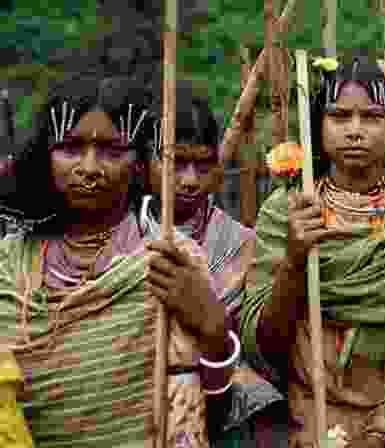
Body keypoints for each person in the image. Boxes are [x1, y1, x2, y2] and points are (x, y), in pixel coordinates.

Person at [240, 56, 385, 447]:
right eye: (340, 116)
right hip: (312, 419)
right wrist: (296, 261)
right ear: (319, 126)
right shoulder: (289, 211)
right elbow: (263, 344)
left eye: (373, 117)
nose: (356, 131)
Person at [0, 72, 236, 447]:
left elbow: (214, 417)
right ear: (46, 155)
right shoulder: (6, 263)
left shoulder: (170, 260)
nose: (90, 168)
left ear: (141, 163)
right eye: (72, 148)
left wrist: (213, 330)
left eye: (112, 151)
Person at [141, 82, 285, 448]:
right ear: (146, 160)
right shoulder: (125, 237)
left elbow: (257, 349)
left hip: (223, 410)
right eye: (175, 162)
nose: (189, 180)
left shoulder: (242, 244)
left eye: (203, 164)